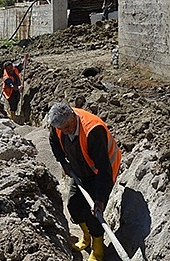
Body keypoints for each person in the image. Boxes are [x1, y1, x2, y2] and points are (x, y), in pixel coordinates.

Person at [47, 102, 122, 261]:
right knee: (73, 205)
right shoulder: (58, 124)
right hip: (79, 171)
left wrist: (100, 199)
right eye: (62, 129)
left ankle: (98, 249)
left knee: (94, 213)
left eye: (68, 127)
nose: (66, 131)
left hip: (99, 174)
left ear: (73, 116)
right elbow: (54, 142)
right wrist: (63, 163)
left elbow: (104, 170)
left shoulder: (93, 131)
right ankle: (86, 238)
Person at [2, 54, 28, 120]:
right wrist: (19, 88)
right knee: (12, 104)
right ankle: (12, 118)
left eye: (11, 68)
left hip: (16, 90)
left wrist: (25, 59)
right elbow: (12, 86)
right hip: (9, 93)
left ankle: (17, 114)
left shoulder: (15, 68)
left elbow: (21, 64)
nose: (10, 70)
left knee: (17, 100)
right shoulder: (6, 78)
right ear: (6, 70)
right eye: (8, 69)